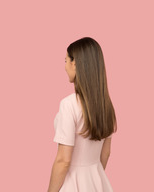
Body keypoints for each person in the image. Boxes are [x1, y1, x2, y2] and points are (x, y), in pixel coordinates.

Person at [48, 37, 116, 192]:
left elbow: (63, 160)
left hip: (72, 184)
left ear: (75, 63)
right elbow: (106, 153)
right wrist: (93, 175)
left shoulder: (69, 104)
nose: (65, 67)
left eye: (65, 61)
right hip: (98, 181)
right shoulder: (106, 105)